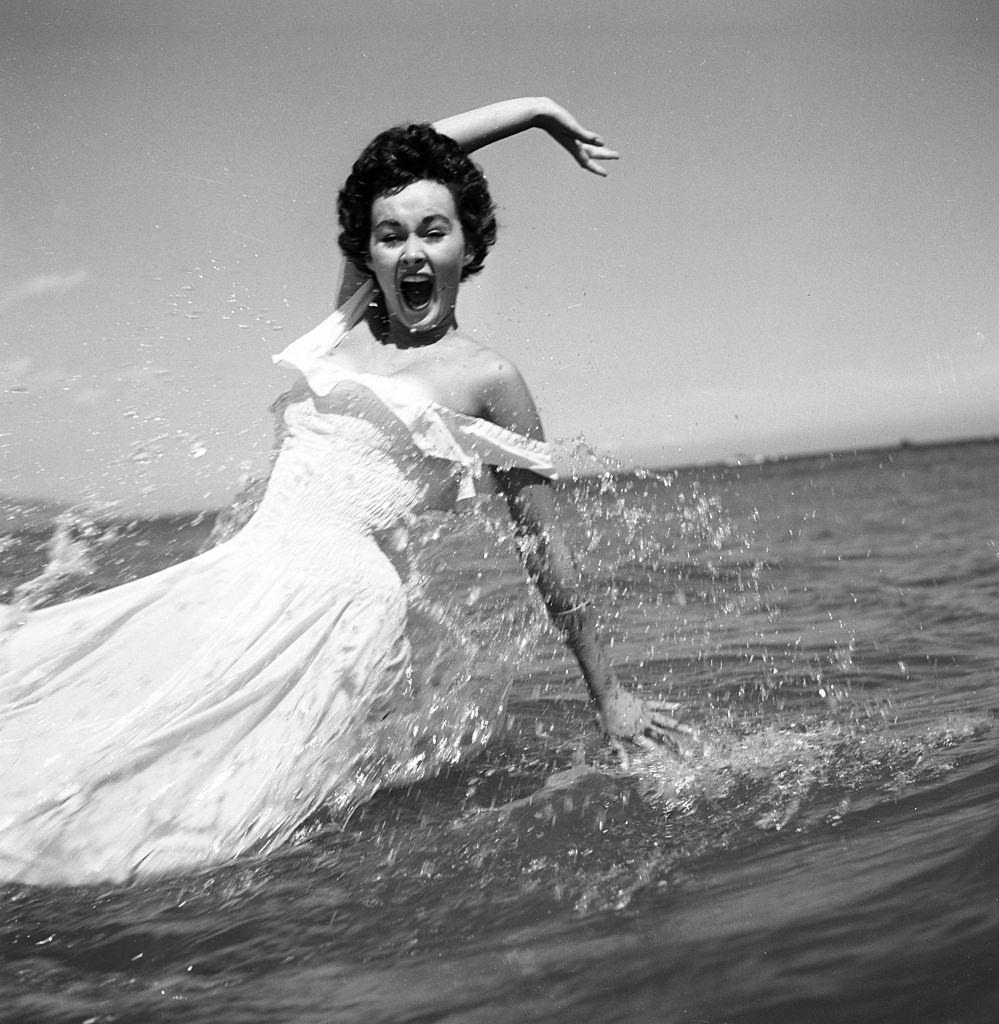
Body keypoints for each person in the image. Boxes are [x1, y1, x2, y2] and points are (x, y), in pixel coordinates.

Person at [0, 97, 692, 886]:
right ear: (368, 251)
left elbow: (543, 546)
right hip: (241, 577)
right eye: (390, 235)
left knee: (210, 830)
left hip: (338, 614)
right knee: (82, 723)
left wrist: (608, 695)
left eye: (434, 230)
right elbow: (389, 161)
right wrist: (532, 112)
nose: (411, 250)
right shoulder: (346, 323)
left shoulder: (488, 379)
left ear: (469, 243)